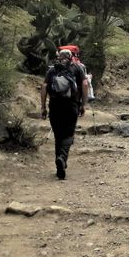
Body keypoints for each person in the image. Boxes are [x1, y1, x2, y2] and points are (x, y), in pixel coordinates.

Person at [40, 49, 87, 180]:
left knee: (58, 135)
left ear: (59, 57)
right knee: (69, 134)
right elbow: (84, 84)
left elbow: (44, 87)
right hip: (71, 105)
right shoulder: (77, 68)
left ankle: (59, 165)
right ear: (71, 57)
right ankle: (62, 158)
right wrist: (83, 104)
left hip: (54, 106)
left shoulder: (51, 70)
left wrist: (43, 107)